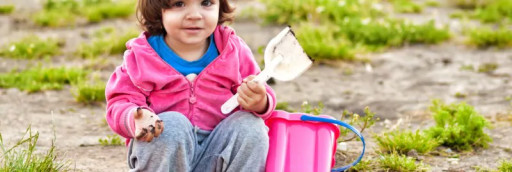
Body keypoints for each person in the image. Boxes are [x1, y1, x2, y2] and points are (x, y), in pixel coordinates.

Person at [104, 0, 276, 171]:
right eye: (179, 4)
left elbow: (260, 87)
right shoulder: (142, 56)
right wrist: (136, 117)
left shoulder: (232, 50)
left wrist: (260, 101)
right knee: (172, 125)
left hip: (217, 152)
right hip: (166, 157)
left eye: (206, 3)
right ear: (158, 8)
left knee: (251, 126)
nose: (194, 15)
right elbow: (120, 101)